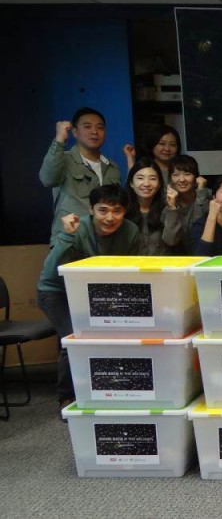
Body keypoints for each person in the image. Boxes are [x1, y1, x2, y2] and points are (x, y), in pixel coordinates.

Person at [36, 184, 140, 407]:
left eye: (117, 211)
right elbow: (51, 270)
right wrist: (67, 236)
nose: (110, 218)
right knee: (75, 338)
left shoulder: (130, 230)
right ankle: (67, 396)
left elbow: (131, 270)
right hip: (57, 291)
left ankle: (107, 390)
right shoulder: (77, 228)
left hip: (96, 293)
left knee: (117, 335)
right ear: (91, 209)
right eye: (103, 210)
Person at [40, 107, 122, 245]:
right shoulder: (62, 159)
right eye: (87, 127)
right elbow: (47, 179)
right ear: (75, 132)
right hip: (70, 239)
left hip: (105, 242)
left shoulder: (112, 167)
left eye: (100, 127)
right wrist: (59, 140)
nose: (94, 132)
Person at [161, 155, 210, 255]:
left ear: (196, 178)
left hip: (204, 255)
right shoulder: (166, 202)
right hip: (177, 259)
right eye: (176, 174)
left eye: (187, 174)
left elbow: (198, 233)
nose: (182, 179)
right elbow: (171, 240)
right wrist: (172, 207)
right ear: (170, 179)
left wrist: (201, 194)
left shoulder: (207, 197)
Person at [124, 159, 174, 256]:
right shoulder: (122, 210)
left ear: (159, 184)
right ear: (131, 183)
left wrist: (172, 208)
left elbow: (171, 240)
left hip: (161, 264)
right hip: (130, 264)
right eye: (140, 178)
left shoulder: (168, 210)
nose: (146, 184)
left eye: (152, 179)